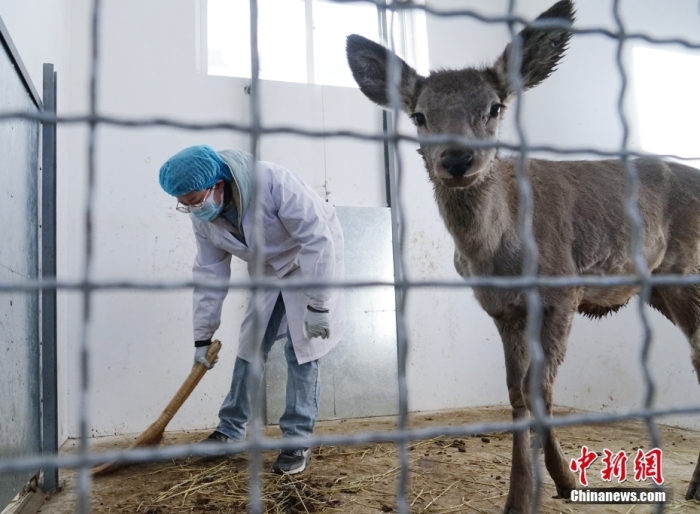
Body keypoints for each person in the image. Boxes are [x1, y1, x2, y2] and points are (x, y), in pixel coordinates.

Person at [158, 145, 345, 475]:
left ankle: (296, 441)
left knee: (303, 349)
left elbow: (318, 240)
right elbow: (209, 272)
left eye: (194, 200)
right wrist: (203, 337)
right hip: (269, 268)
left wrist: (319, 303)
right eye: (183, 204)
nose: (191, 208)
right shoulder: (204, 217)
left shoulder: (273, 182)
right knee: (250, 344)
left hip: (309, 258)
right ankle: (229, 431)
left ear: (218, 183)